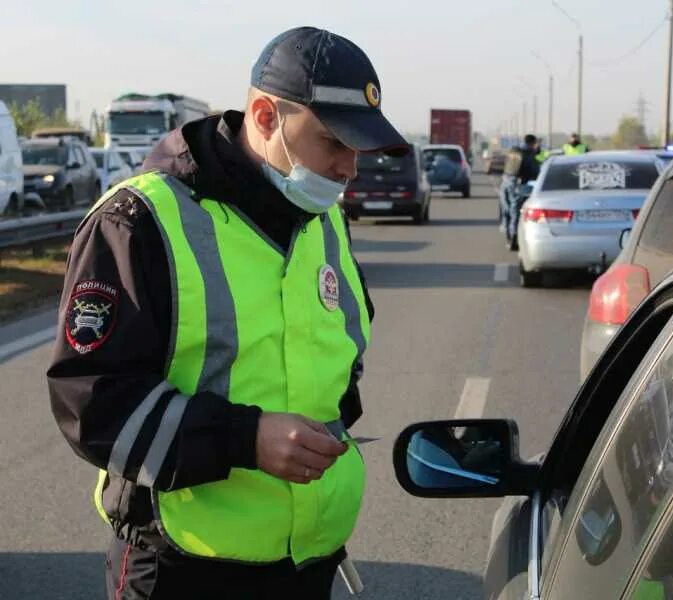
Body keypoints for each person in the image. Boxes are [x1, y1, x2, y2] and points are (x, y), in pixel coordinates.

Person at [46, 26, 407, 599]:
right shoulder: (140, 221)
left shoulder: (324, 218)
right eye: (333, 142)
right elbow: (91, 402)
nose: (349, 168)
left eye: (358, 148)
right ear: (264, 117)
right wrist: (246, 439)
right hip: (182, 569)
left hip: (307, 560)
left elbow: (341, 361)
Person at [504, 134, 541, 250]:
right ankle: (514, 237)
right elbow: (535, 173)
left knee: (508, 210)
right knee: (517, 212)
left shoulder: (514, 151)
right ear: (532, 143)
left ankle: (509, 235)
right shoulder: (529, 155)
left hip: (506, 183)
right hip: (521, 186)